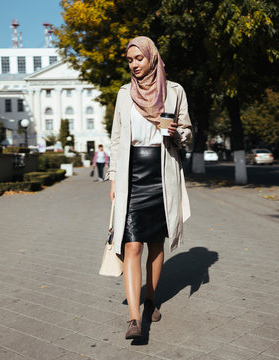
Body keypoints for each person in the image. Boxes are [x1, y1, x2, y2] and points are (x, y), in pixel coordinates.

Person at [105, 36, 192, 340]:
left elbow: (187, 132)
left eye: (138, 59)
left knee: (155, 243)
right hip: (132, 174)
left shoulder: (174, 92)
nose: (134, 65)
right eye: (130, 61)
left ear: (152, 58)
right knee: (131, 243)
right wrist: (114, 179)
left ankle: (152, 299)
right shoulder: (124, 94)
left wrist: (176, 133)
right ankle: (133, 318)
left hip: (161, 171)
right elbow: (116, 140)